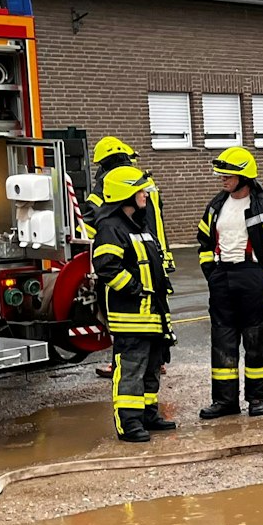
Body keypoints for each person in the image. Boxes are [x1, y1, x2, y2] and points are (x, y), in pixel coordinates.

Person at [195, 146, 263, 419]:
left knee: (256, 342)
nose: (223, 179)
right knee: (222, 342)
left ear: (244, 176)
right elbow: (204, 242)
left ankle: (257, 399)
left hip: (254, 277)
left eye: (228, 175)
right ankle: (225, 401)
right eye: (222, 175)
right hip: (223, 278)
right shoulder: (216, 205)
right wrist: (211, 274)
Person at [91, 165, 173, 443]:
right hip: (131, 315)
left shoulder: (139, 224)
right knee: (130, 370)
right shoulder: (110, 227)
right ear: (125, 192)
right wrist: (137, 290)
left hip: (151, 314)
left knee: (151, 367)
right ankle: (129, 423)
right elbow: (106, 267)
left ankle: (148, 414)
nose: (146, 195)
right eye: (140, 190)